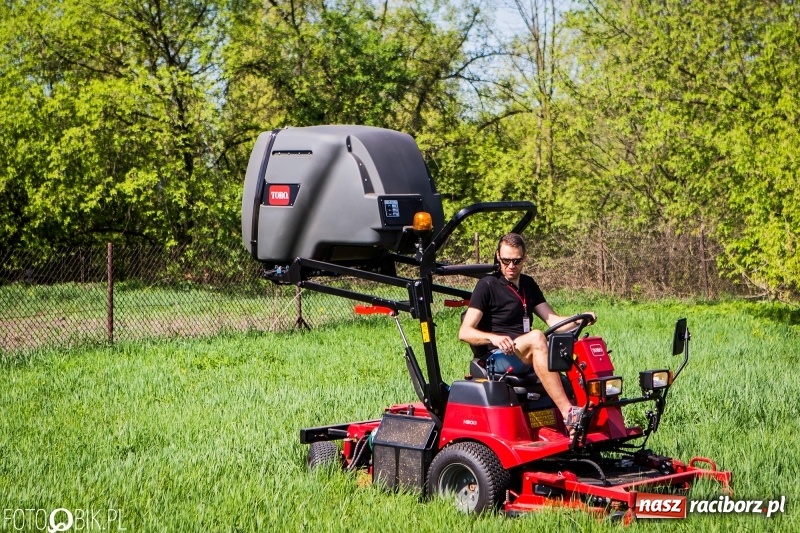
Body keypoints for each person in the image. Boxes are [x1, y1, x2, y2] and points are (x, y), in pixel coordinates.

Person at [458, 232, 596, 435]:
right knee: (538, 337)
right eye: (506, 261)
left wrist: (578, 318)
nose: (511, 266)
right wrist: (493, 337)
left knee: (576, 346)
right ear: (498, 256)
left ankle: (594, 412)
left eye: (516, 261)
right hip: (498, 356)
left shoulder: (528, 285)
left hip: (524, 351)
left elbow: (552, 320)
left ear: (525, 258)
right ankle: (569, 414)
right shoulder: (487, 285)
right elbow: (465, 332)